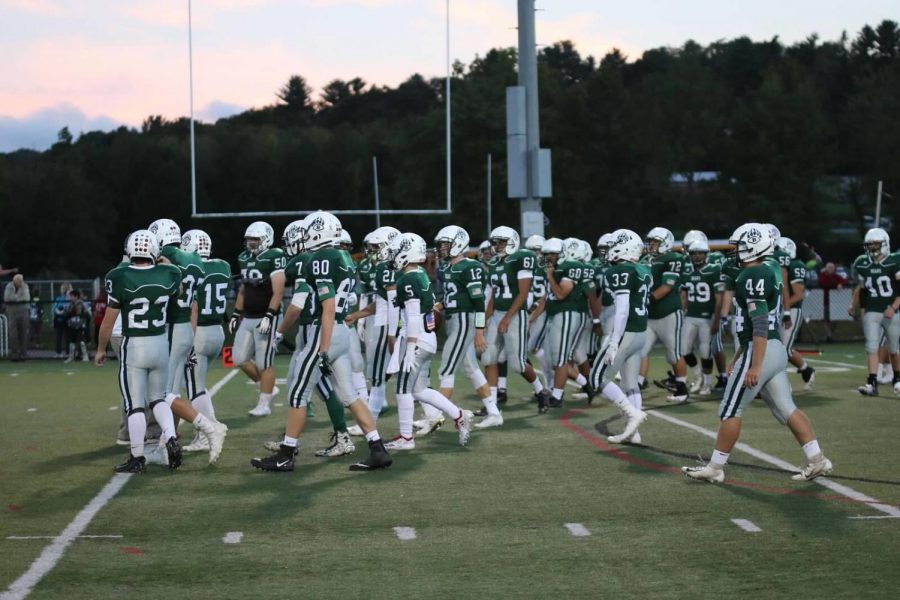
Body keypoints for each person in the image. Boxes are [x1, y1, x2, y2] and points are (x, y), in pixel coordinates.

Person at [683, 224, 832, 483]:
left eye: (739, 246)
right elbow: (755, 325)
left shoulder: (753, 275)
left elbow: (760, 323)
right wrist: (741, 353)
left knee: (730, 408)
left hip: (762, 348)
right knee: (786, 408)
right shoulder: (767, 269)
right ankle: (817, 459)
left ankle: (716, 468)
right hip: (772, 348)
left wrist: (754, 364)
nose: (735, 251)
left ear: (753, 247)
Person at [251, 211, 391, 472]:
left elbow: (327, 306)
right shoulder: (344, 258)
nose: (304, 237)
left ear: (318, 231)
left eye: (308, 232)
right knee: (348, 394)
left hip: (323, 331)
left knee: (298, 392)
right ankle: (377, 448)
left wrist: (323, 349)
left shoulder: (324, 257)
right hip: (339, 331)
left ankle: (286, 454)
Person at [96, 230, 226, 473]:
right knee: (159, 398)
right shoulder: (170, 273)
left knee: (136, 404)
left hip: (135, 344)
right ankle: (170, 436)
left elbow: (107, 322)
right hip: (161, 344)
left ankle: (136, 457)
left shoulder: (119, 276)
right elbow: (178, 289)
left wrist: (100, 348)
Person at [382, 232, 474, 450]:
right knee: (419, 390)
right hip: (427, 338)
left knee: (403, 389)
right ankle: (460, 415)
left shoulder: (409, 278)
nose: (393, 255)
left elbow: (413, 315)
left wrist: (411, 346)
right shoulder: (420, 273)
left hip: (417, 339)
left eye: (396, 251)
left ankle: (406, 438)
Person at [432, 225, 499, 427]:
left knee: (446, 369)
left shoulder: (470, 266)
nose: (442, 248)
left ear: (458, 243)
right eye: (442, 244)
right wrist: (440, 304)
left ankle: (434, 416)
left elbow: (479, 303)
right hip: (454, 319)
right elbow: (455, 296)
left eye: (446, 244)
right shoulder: (449, 267)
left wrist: (479, 331)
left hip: (464, 321)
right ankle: (494, 413)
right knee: (471, 369)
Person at [588, 229, 650, 444]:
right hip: (640, 332)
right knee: (631, 383)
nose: (609, 250)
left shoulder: (620, 270)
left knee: (597, 378)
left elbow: (622, 310)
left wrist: (614, 341)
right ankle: (634, 432)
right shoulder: (642, 269)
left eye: (613, 245)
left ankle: (632, 414)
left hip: (625, 333)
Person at [482, 226, 548, 409]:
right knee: (489, 358)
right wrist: (484, 321)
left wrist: (507, 318)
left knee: (517, 364)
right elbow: (492, 297)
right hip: (497, 314)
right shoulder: (494, 264)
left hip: (515, 314)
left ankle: (540, 390)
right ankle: (491, 404)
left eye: (502, 242)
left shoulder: (521, 258)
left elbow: (523, 293)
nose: (498, 245)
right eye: (496, 242)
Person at [180, 229, 232, 452]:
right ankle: (202, 434)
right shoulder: (224, 266)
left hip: (199, 332)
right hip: (217, 332)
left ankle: (208, 431)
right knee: (197, 384)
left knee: (194, 387)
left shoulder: (193, 268)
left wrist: (188, 340)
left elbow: (193, 306)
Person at [229, 221, 285, 416]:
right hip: (249, 315)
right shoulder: (243, 257)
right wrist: (236, 313)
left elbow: (278, 290)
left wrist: (270, 315)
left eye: (255, 239)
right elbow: (244, 288)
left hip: (266, 315)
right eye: (249, 239)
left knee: (264, 361)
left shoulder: (274, 256)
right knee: (239, 358)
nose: (251, 243)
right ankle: (267, 387)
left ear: (266, 239)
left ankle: (264, 404)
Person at [640, 227, 691, 402]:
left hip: (669, 313)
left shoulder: (673, 258)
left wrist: (644, 299)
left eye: (656, 242)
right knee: (640, 350)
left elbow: (667, 287)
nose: (652, 245)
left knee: (673, 353)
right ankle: (638, 385)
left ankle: (682, 389)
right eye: (651, 242)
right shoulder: (646, 260)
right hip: (650, 316)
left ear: (666, 243)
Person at [848, 227, 900, 396]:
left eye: (875, 244)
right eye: (869, 245)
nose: (871, 248)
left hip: (891, 310)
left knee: (894, 348)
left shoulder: (894, 261)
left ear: (884, 244)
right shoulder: (862, 263)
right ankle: (871, 382)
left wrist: (893, 307)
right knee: (871, 347)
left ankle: (897, 380)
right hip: (872, 310)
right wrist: (856, 306)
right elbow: (862, 289)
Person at [818, 262, 849, 343]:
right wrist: (836, 285)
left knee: (835, 318)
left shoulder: (836, 276)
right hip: (824, 301)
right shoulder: (822, 276)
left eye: (832, 267)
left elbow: (845, 281)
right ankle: (829, 335)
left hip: (835, 301)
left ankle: (829, 335)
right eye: (829, 267)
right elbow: (822, 283)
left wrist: (841, 284)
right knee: (825, 319)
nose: (830, 269)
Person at [3, 274, 30, 361]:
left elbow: (26, 297)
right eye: (17, 281)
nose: (19, 283)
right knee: (13, 334)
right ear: (14, 281)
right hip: (12, 312)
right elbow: (7, 298)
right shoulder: (9, 286)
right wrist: (18, 298)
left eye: (20, 281)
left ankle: (23, 354)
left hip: (23, 311)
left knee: (23, 333)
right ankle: (14, 354)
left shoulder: (25, 286)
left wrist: (14, 298)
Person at [64, 289, 89, 363]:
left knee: (81, 341)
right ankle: (71, 357)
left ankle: (85, 356)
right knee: (72, 341)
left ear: (76, 296)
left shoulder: (80, 304)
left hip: (80, 325)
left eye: (71, 296)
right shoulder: (71, 304)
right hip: (72, 325)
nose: (70, 298)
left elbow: (80, 313)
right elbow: (68, 313)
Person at [53, 282, 73, 358]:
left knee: (67, 336)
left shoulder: (69, 298)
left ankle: (68, 352)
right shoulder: (58, 298)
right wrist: (58, 312)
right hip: (59, 319)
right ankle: (58, 352)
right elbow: (55, 307)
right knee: (58, 336)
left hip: (67, 319)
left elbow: (69, 307)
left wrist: (64, 311)